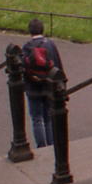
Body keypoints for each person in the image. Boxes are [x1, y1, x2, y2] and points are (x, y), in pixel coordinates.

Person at [20, 18, 64, 147]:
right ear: (42, 29)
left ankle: (41, 146)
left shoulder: (27, 47)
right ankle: (51, 145)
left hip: (33, 87)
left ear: (30, 31)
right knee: (48, 118)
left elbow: (23, 68)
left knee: (37, 118)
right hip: (48, 85)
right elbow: (58, 65)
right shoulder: (50, 45)